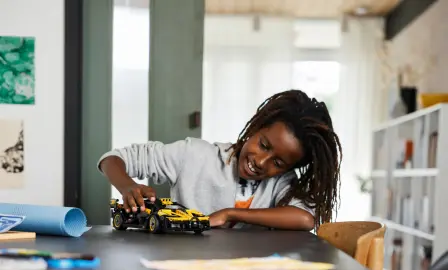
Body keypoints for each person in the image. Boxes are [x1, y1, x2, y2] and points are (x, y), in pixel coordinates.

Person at [98, 90, 342, 231]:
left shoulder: (282, 184)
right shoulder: (193, 155)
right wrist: (127, 186)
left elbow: (304, 218)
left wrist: (230, 214)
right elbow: (112, 158)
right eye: (263, 145)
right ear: (256, 128)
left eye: (278, 163)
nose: (261, 161)